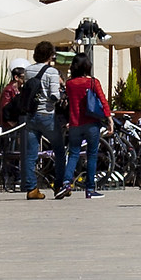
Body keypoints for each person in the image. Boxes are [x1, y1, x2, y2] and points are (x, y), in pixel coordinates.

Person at [11, 42, 63, 199]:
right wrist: (60, 91)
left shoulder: (28, 70)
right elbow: (54, 96)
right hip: (47, 115)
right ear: (50, 55)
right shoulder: (52, 72)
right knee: (59, 151)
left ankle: (32, 188)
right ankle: (59, 185)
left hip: (31, 116)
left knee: (31, 154)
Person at [55, 58, 110, 199]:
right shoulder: (93, 82)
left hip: (75, 124)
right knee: (91, 155)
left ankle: (66, 183)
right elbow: (103, 100)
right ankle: (90, 189)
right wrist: (109, 119)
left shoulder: (69, 84)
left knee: (73, 154)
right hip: (91, 123)